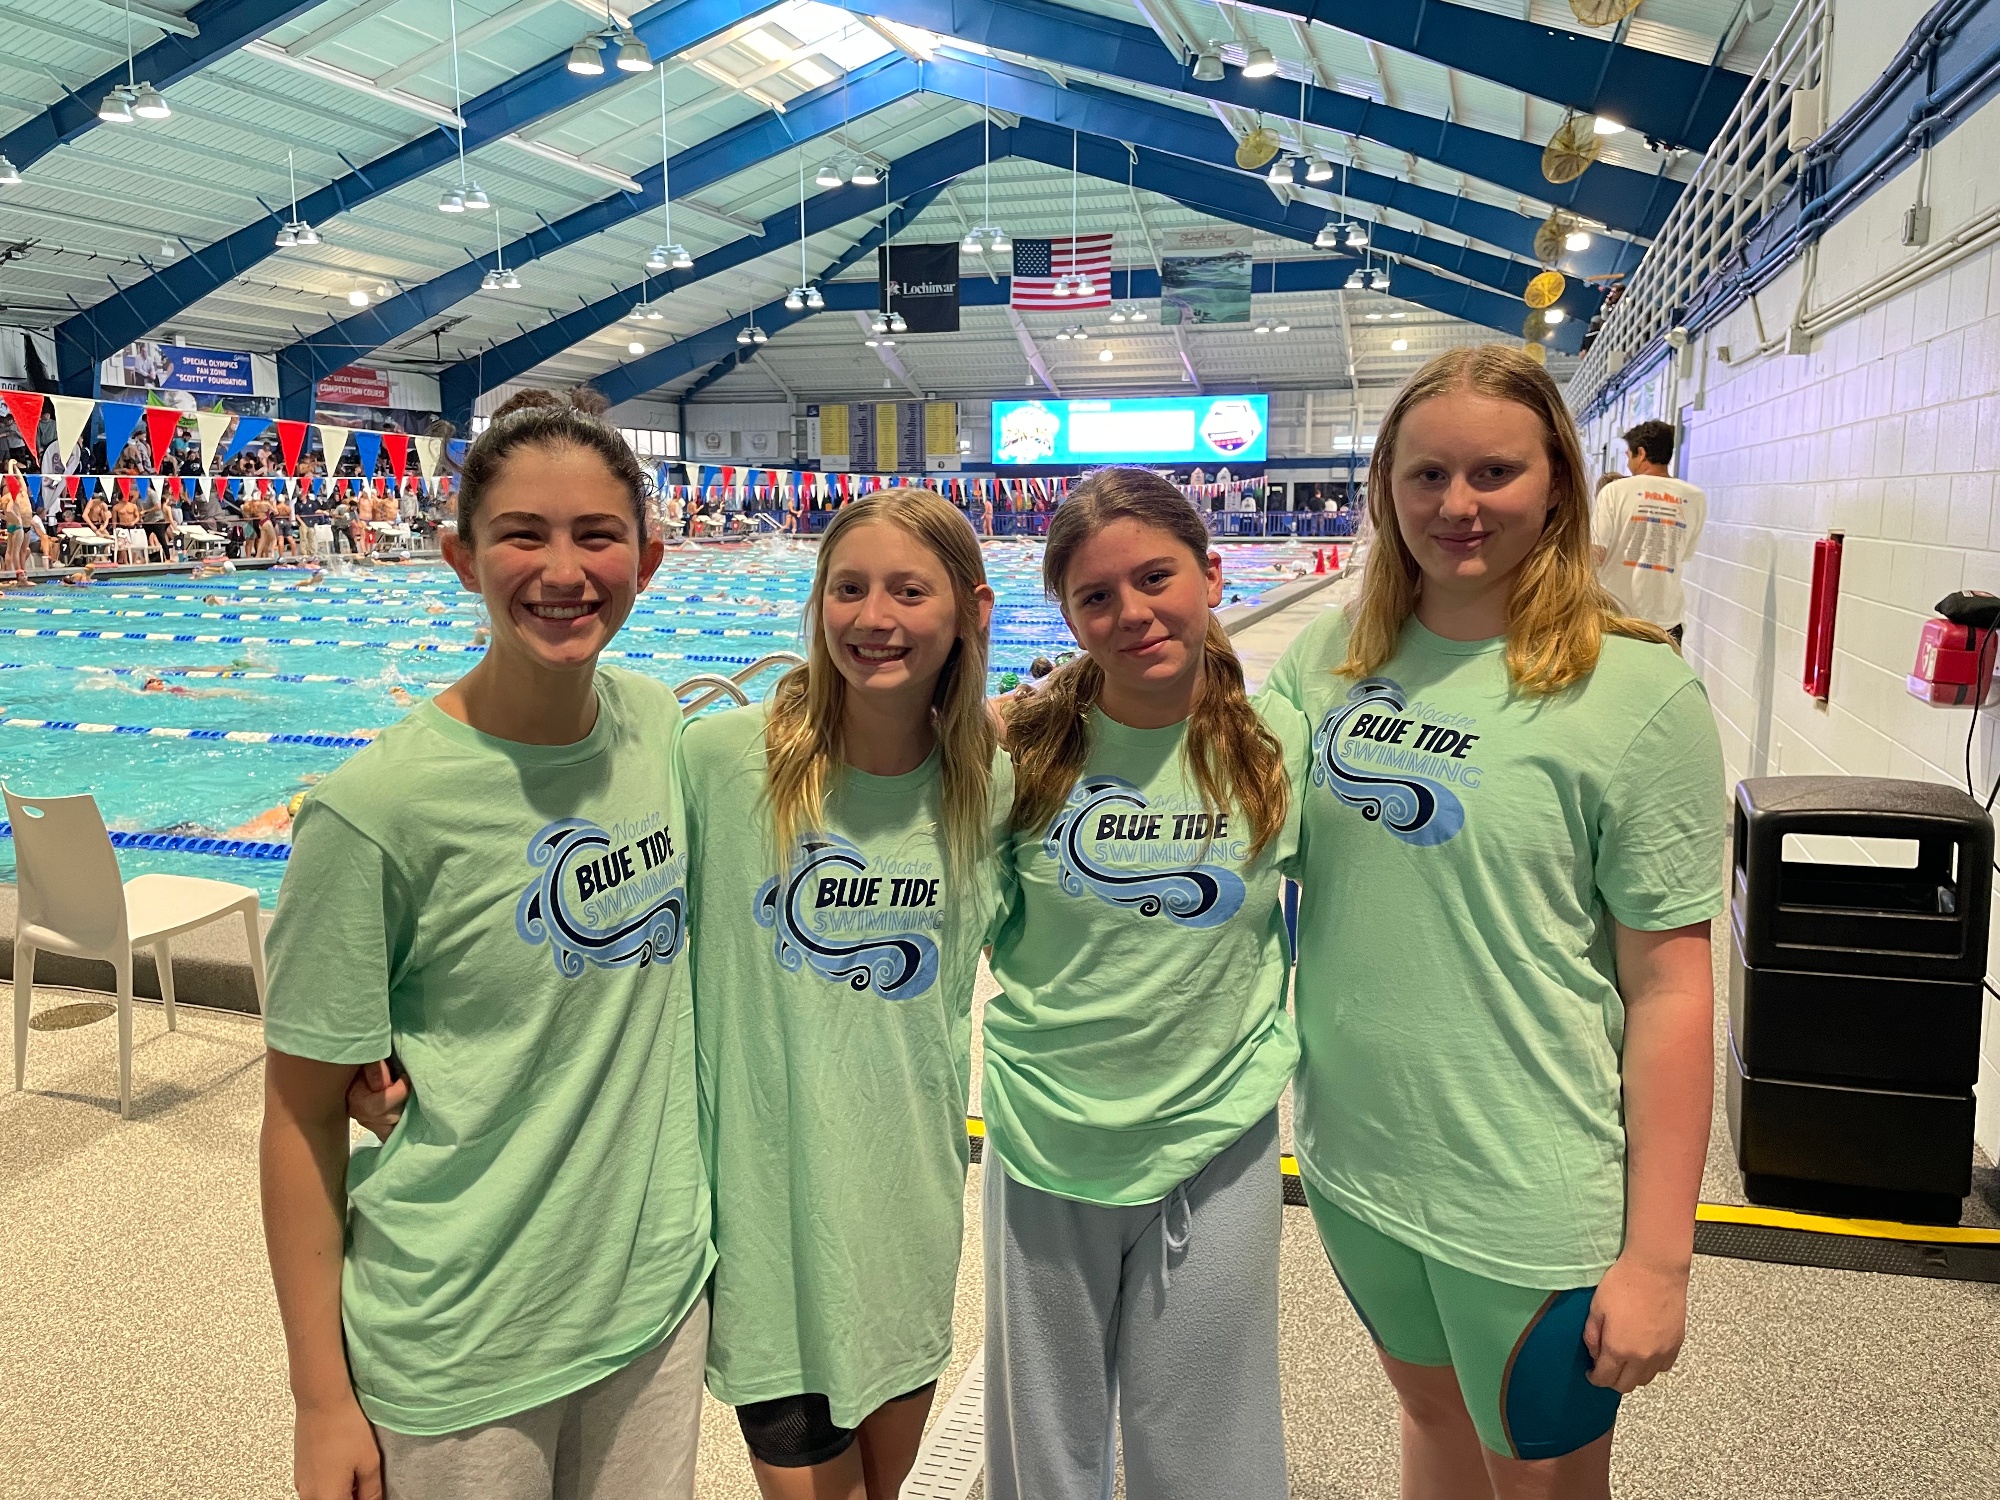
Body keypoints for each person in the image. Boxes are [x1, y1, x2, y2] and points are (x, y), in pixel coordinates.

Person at [1266, 346, 1723, 1500]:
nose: (1455, 505)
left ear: (1557, 483)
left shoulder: (1636, 692)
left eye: (1492, 473)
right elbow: (1214, 793)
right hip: (1354, 1157)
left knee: (1539, 1480)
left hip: (1525, 1184)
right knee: (1429, 1420)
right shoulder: (1333, 657)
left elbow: (1671, 988)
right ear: (1385, 488)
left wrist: (1658, 1258)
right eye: (1426, 475)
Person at [258, 386, 712, 1500]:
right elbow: (300, 1118)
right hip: (464, 1337)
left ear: (648, 561)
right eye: (522, 535)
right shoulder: (375, 810)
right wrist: (320, 1400)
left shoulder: (659, 728)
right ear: (461, 558)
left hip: (653, 1299)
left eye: (596, 535)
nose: (562, 571)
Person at [983, 469, 1305, 1500]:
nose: (1131, 613)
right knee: (1046, 1447)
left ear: (1212, 576)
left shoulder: (1279, 745)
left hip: (1215, 1136)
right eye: (1095, 596)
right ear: (1068, 615)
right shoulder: (1021, 752)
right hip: (1048, 1134)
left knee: (1211, 1444)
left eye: (1154, 578)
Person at [685, 488, 1007, 1500]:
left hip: (904, 1213)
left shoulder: (988, 791)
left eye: (908, 591)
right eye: (849, 588)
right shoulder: (718, 764)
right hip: (766, 1226)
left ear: (969, 609)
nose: (874, 618)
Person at [1590, 419, 1706, 643]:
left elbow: (1596, 553)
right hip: (1666, 621)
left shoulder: (1614, 491)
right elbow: (1684, 554)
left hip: (1617, 617)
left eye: (1629, 456)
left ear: (1641, 453)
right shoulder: (1695, 497)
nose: (1628, 463)